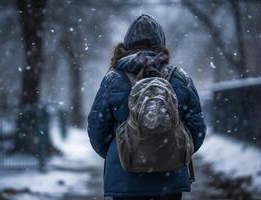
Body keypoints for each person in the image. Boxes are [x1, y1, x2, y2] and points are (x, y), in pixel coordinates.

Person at [88, 14, 206, 200]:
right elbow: (197, 129)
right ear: (161, 44)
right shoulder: (179, 78)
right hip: (170, 177)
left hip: (125, 178)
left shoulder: (112, 79)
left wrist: (122, 152)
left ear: (127, 45)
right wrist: (173, 152)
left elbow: (97, 129)